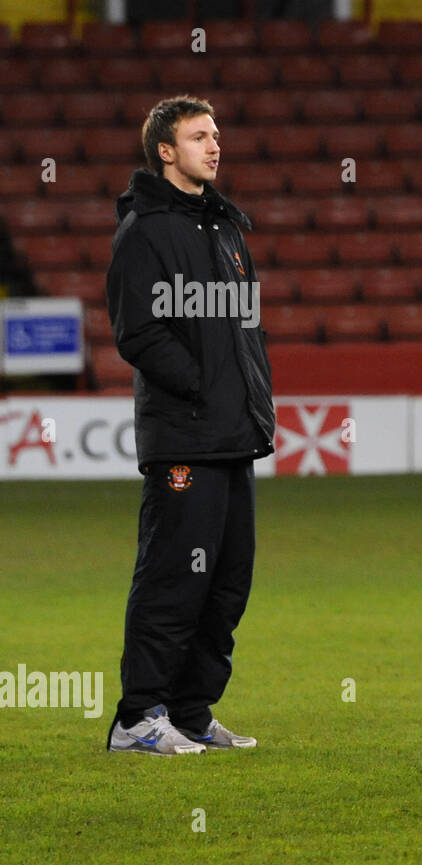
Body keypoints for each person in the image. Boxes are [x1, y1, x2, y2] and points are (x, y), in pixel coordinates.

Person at [104, 95, 275, 755]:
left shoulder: (226, 228)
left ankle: (191, 712)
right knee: (175, 578)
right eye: (199, 136)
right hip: (184, 436)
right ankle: (138, 718)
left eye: (216, 134)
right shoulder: (145, 229)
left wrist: (249, 399)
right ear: (165, 151)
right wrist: (204, 386)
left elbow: (244, 333)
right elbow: (138, 332)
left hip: (234, 434)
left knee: (228, 582)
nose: (214, 145)